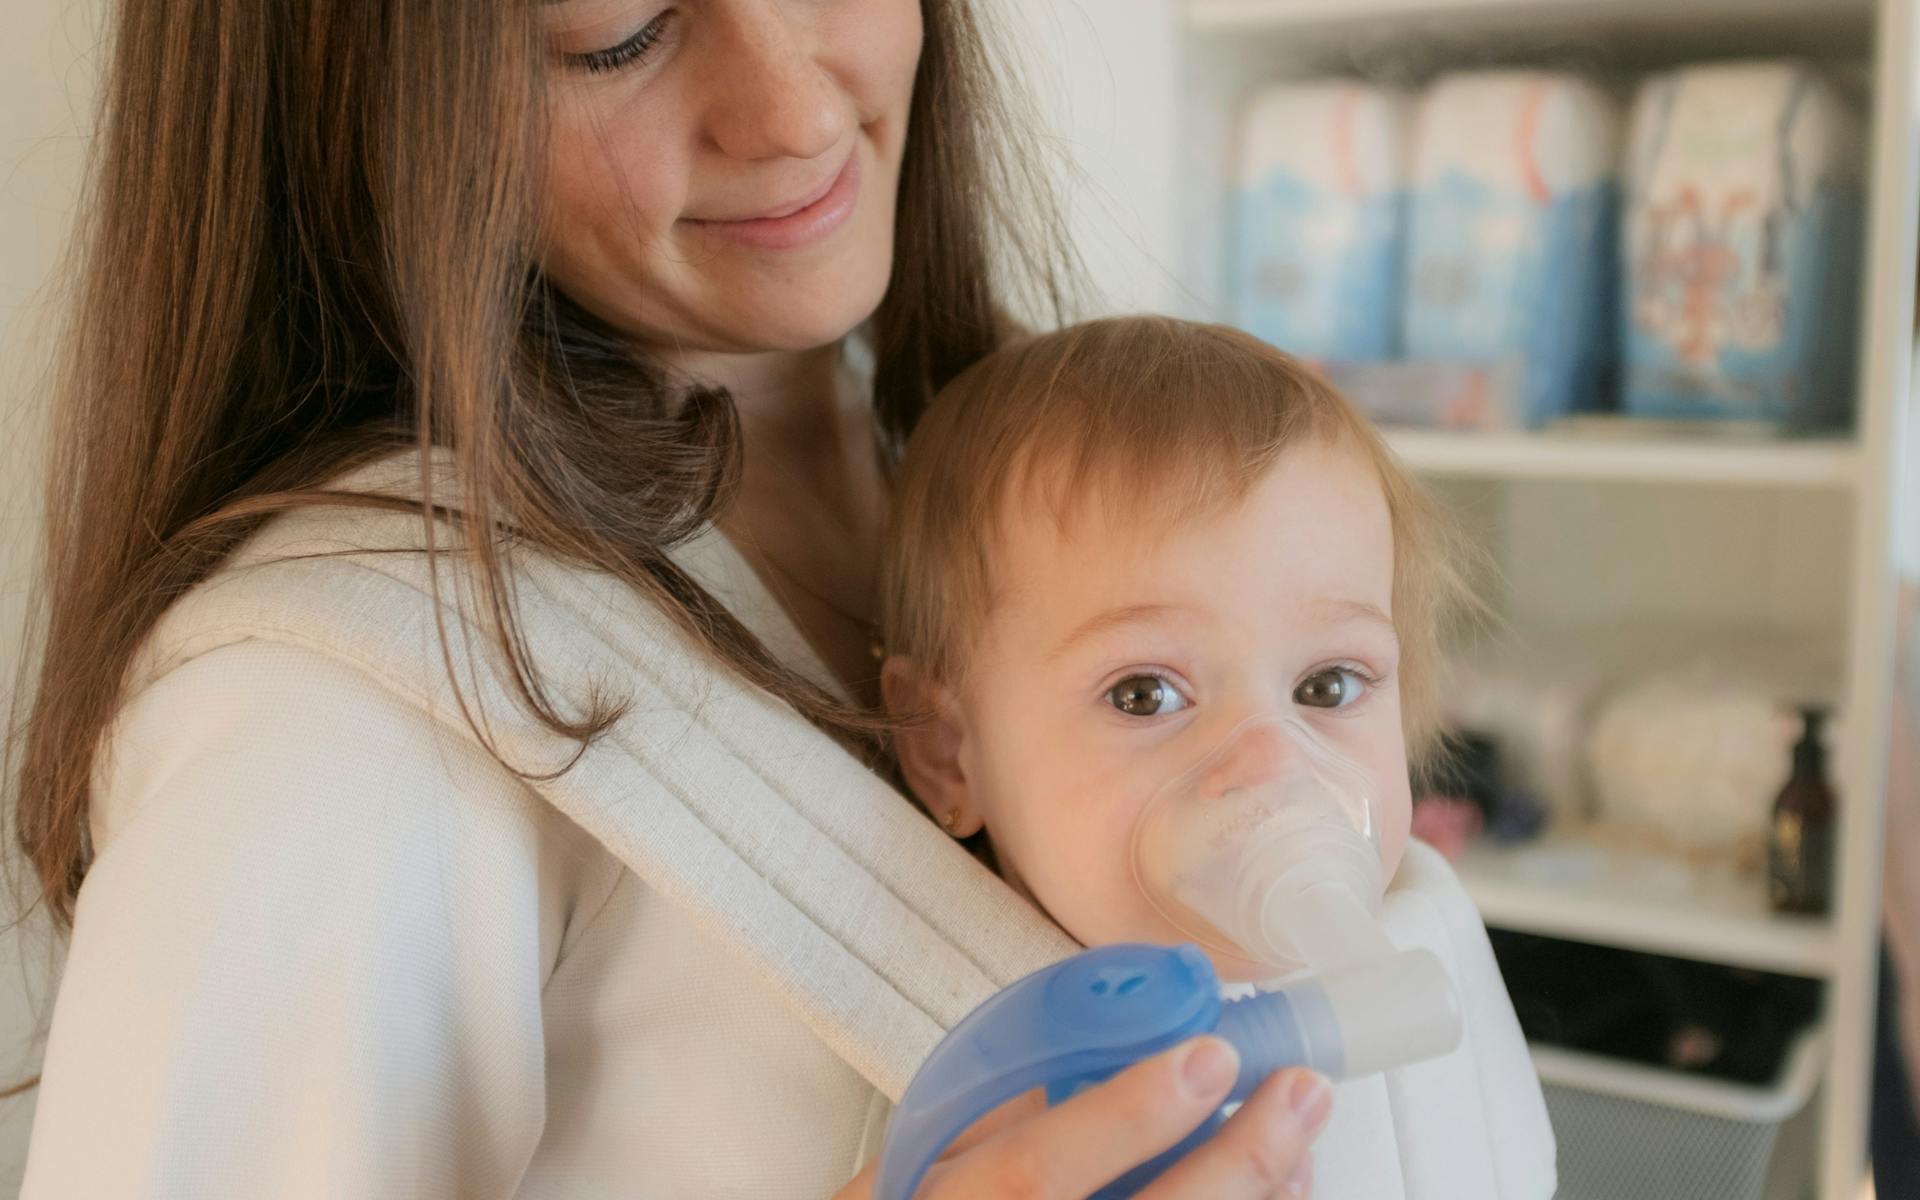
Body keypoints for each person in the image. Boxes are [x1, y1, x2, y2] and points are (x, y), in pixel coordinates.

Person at [9, 1, 1327, 1196]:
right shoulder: (331, 720)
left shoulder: (1076, 511)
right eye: (621, 35)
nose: (800, 113)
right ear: (357, 94)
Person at [876, 317, 1556, 1198]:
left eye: (1327, 685)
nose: (1273, 763)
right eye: (1144, 695)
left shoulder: (1423, 930)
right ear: (948, 755)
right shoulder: (974, 1074)